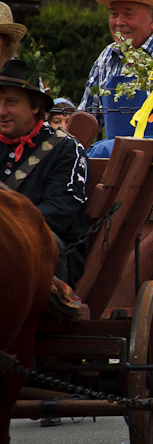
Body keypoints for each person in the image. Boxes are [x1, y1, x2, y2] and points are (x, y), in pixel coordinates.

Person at [0, 60, 89, 288]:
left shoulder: (66, 149)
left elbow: (58, 212)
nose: (1, 111)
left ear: (35, 106)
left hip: (51, 250)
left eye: (11, 102)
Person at [79, 0, 153, 157]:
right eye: (114, 14)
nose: (119, 22)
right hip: (114, 167)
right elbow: (88, 118)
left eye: (128, 14)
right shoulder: (106, 59)